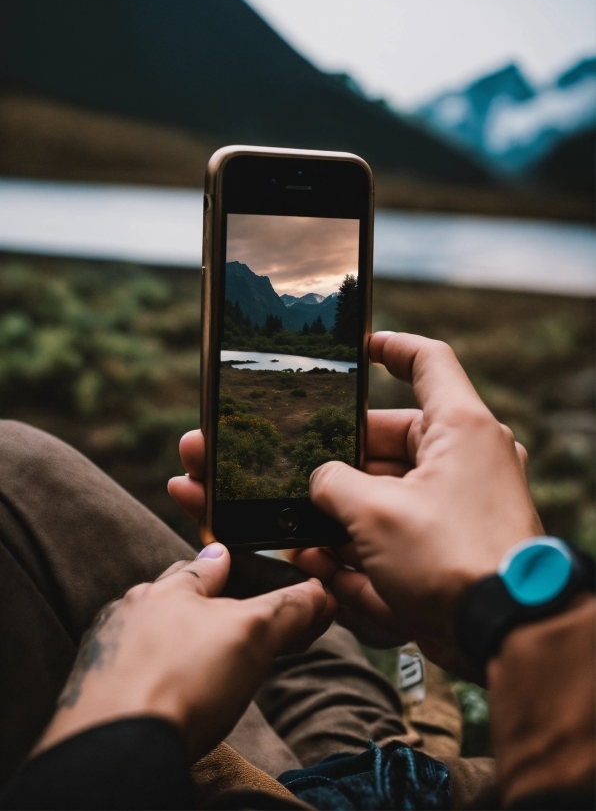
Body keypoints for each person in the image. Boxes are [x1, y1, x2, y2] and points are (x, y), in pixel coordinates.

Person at [0, 332, 593, 809]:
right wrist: (507, 619)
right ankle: (376, 633)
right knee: (321, 622)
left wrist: (122, 722)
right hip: (440, 775)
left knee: (13, 466)